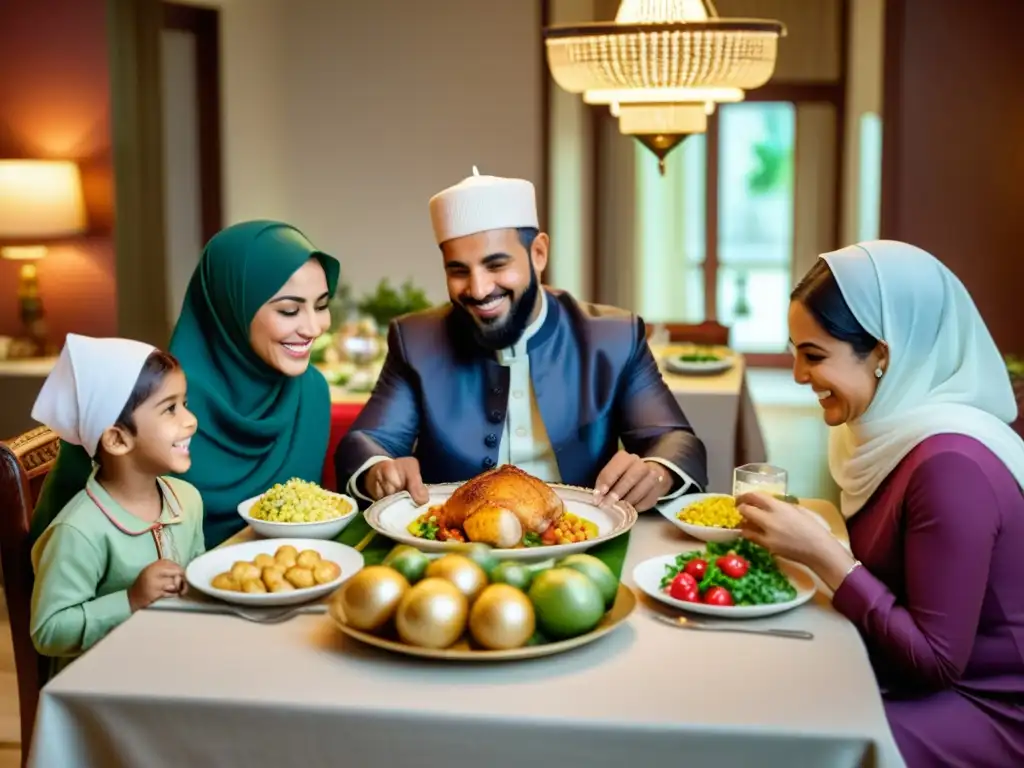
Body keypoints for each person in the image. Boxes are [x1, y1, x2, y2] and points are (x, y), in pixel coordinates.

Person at [735, 241, 1024, 767]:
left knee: (783, 741)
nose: (799, 375)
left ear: (884, 355)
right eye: (795, 351)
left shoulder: (948, 466)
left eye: (814, 355)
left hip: (987, 708)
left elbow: (937, 663)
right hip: (904, 670)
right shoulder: (882, 434)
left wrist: (822, 554)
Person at [335, 167, 708, 511]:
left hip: (582, 538)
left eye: (497, 265)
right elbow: (367, 441)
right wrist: (378, 470)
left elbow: (674, 441)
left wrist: (657, 471)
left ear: (539, 253)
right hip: (451, 546)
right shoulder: (415, 339)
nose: (479, 289)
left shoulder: (612, 336)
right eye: (458, 271)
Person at [29, 220, 341, 547]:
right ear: (230, 305)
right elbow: (57, 544)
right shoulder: (137, 397)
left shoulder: (312, 393)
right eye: (290, 310)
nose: (314, 327)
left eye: (321, 305)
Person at [30, 335, 205, 676]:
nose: (190, 420)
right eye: (170, 408)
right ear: (117, 439)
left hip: (176, 664)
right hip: (106, 688)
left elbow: (196, 576)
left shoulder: (188, 501)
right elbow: (47, 631)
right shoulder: (79, 531)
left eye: (185, 403)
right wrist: (130, 599)